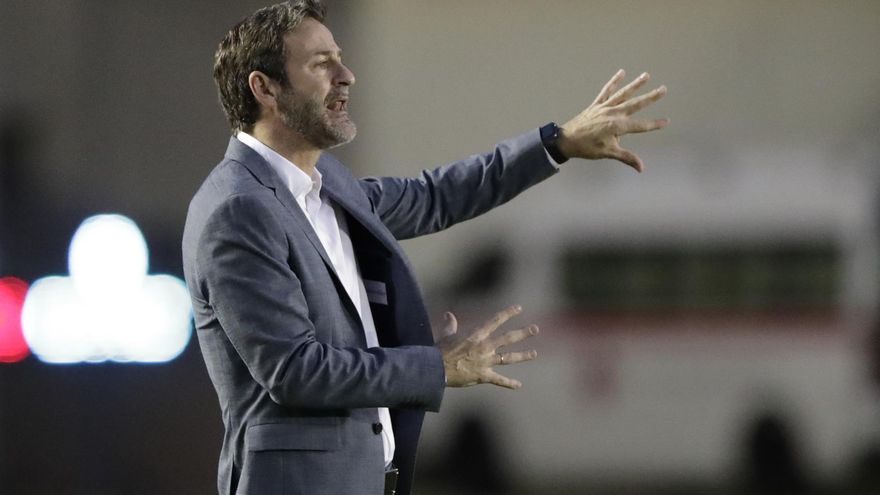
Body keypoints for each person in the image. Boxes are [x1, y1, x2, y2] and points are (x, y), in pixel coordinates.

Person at [181, 1, 668, 494]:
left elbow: (434, 196)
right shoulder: (238, 210)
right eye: (321, 64)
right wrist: (437, 367)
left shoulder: (324, 185)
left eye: (340, 59)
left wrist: (558, 144)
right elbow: (295, 371)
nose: (346, 76)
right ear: (264, 88)